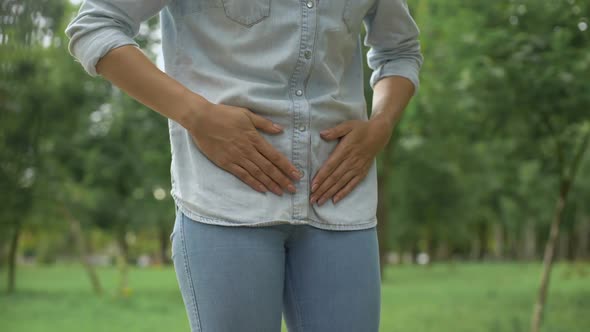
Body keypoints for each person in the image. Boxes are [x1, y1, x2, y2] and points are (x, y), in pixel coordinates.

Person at [65, 0, 423, 331]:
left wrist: (382, 124)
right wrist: (197, 115)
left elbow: (400, 51)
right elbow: (96, 25)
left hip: (343, 200)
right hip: (225, 201)